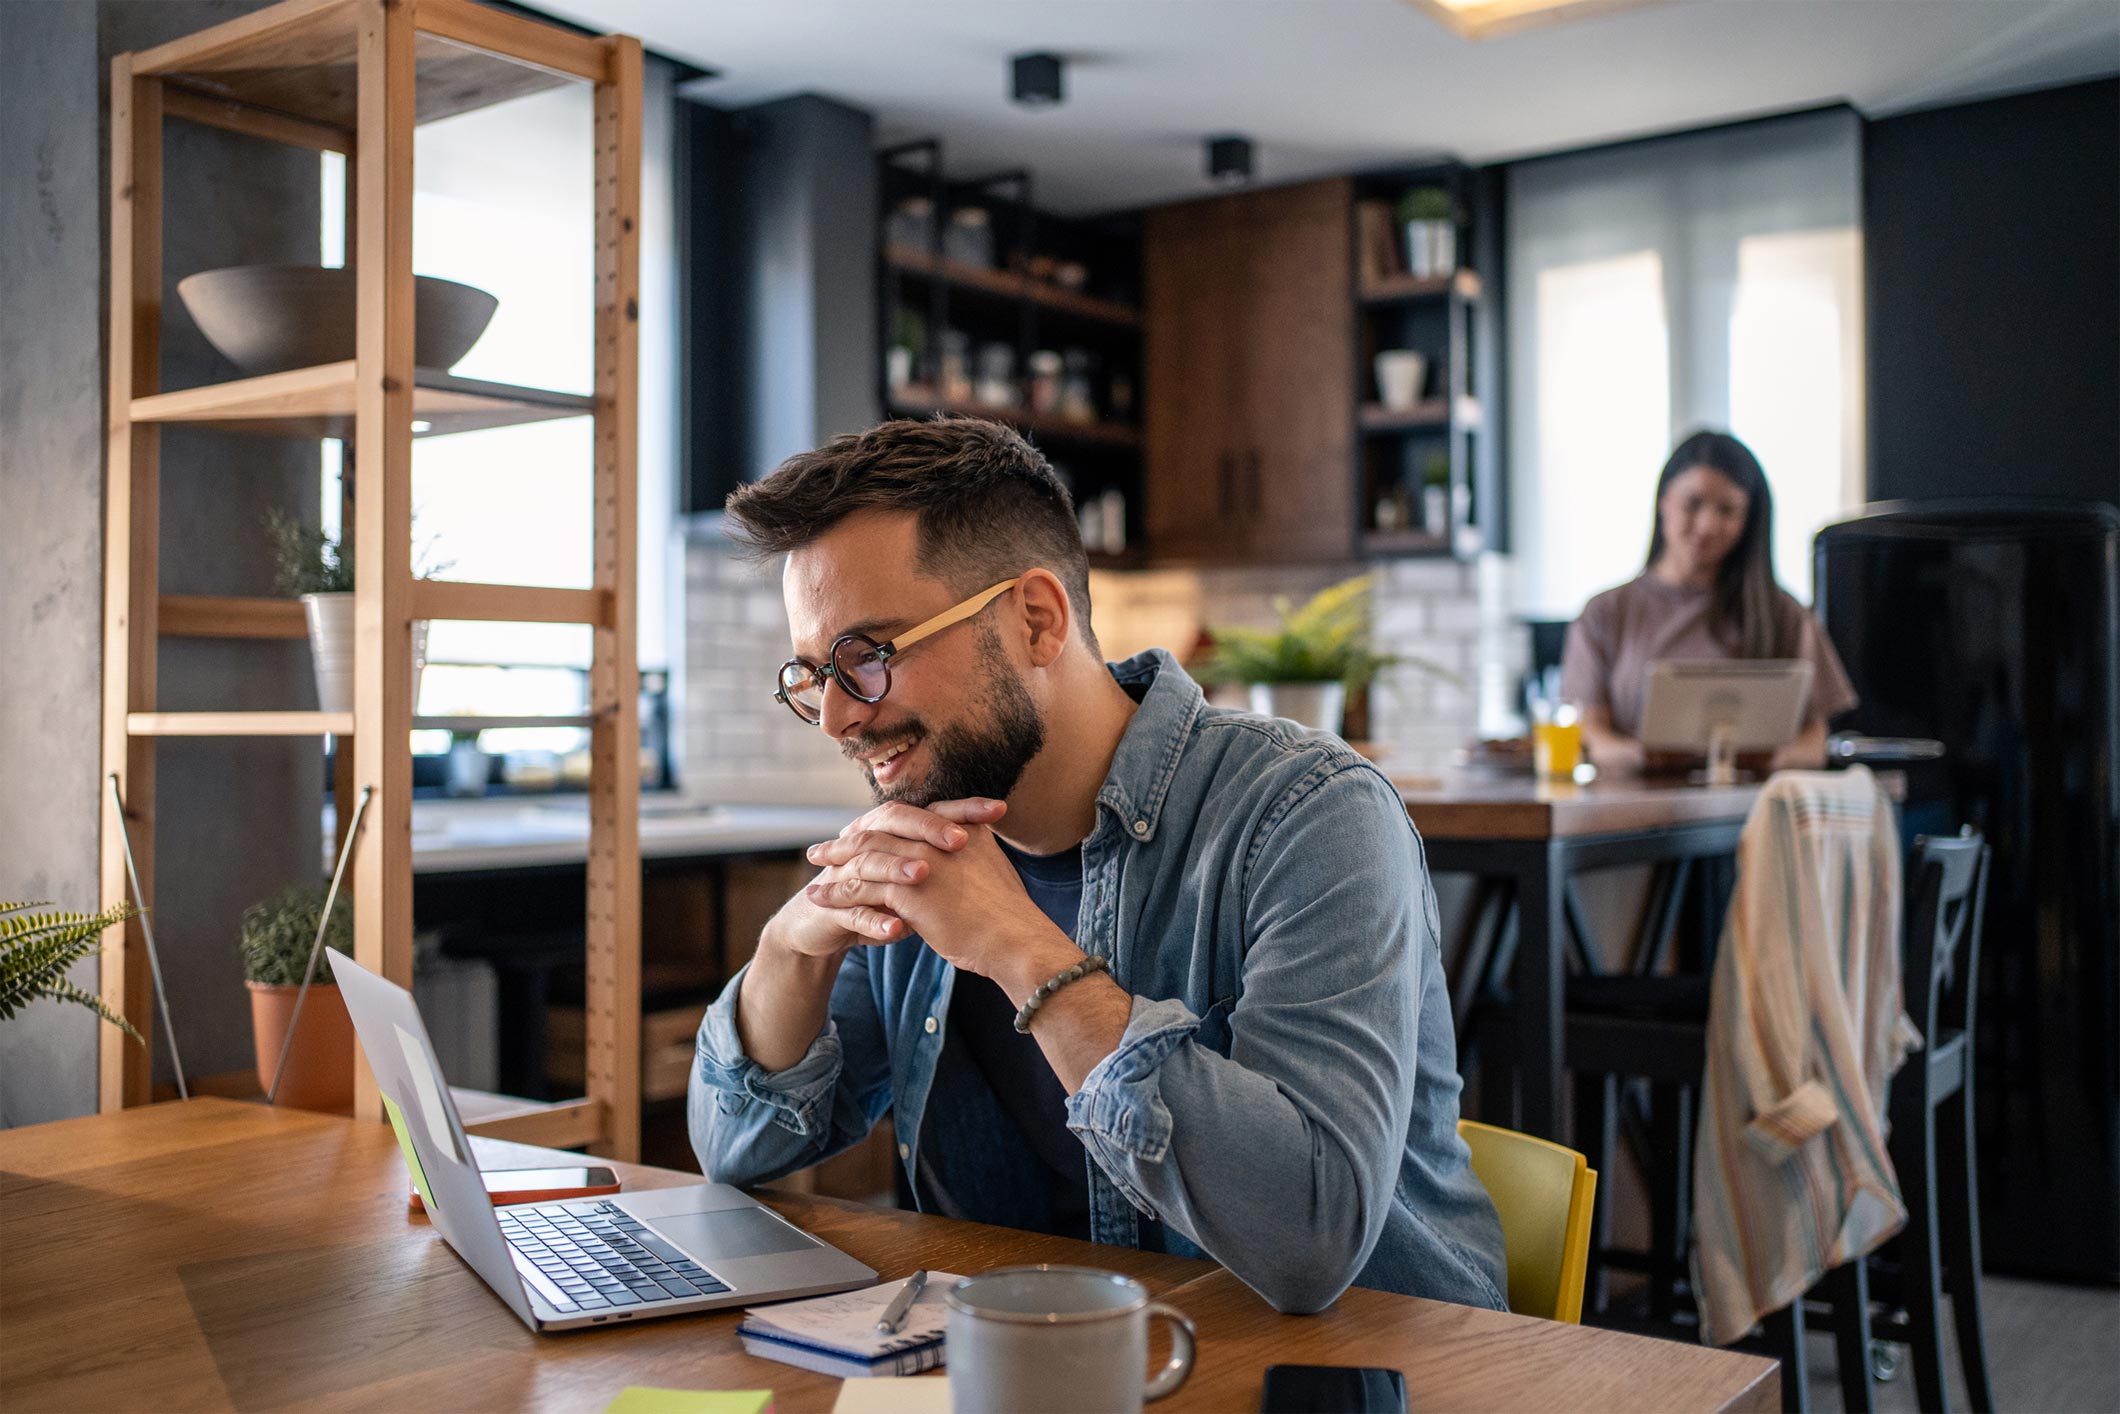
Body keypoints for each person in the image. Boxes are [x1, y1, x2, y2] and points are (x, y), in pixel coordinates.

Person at [688, 418, 1506, 1316]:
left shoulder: (1309, 815)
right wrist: (791, 950)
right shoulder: (926, 841)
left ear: (1036, 619)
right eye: (814, 675)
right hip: (1043, 1361)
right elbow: (734, 1147)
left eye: (869, 656)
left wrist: (1022, 952)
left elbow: (1309, 1236)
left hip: (1360, 1373)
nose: (840, 718)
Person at [1561, 429, 1857, 774]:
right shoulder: (1605, 613)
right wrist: (1640, 756)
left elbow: (1814, 739)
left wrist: (1767, 761)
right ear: (1664, 501)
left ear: (1749, 521)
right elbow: (1592, 733)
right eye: (1693, 504)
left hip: (1749, 809)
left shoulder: (1784, 614)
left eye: (1728, 510)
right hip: (1631, 814)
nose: (1707, 525)